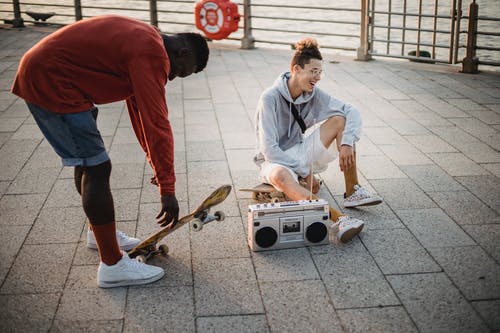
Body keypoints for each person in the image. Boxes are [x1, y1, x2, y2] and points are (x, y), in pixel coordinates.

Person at [11, 15, 209, 288]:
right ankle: (113, 264)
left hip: (54, 76)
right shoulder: (151, 53)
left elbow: (139, 112)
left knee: (88, 162)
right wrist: (168, 188)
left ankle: (99, 234)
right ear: (182, 52)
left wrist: (158, 167)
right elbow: (157, 123)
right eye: (178, 71)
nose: (171, 77)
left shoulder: (148, 39)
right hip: (52, 80)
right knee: (97, 167)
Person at [254, 38, 382, 243]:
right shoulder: (269, 98)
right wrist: (305, 172)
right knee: (280, 175)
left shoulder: (312, 93)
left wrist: (347, 143)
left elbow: (351, 110)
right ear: (296, 69)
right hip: (274, 160)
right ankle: (339, 220)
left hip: (300, 150)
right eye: (313, 71)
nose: (318, 77)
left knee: (340, 120)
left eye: (320, 72)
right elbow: (269, 149)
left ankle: (352, 191)